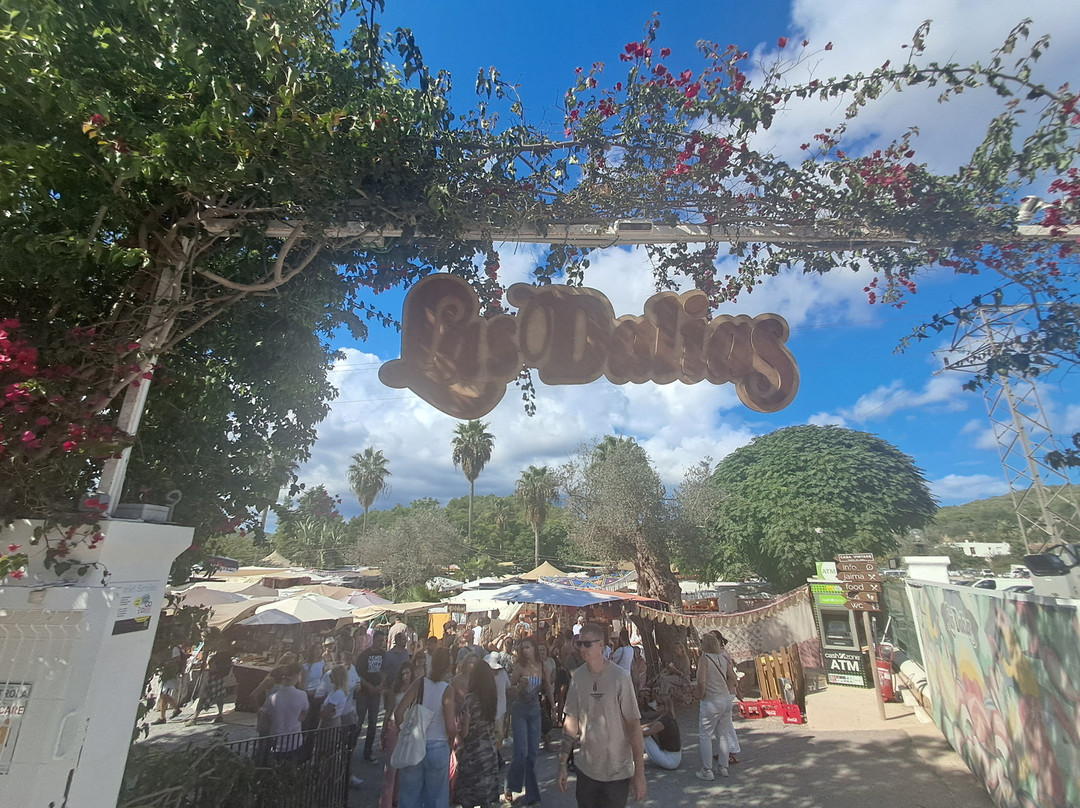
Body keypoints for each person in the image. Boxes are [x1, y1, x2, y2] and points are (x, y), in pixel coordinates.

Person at [558, 622, 646, 808]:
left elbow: (633, 726)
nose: (582, 648)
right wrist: (562, 764)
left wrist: (639, 773)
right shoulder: (578, 678)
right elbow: (571, 723)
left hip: (617, 771)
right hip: (586, 770)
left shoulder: (620, 677)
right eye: (580, 643)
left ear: (601, 645)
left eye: (587, 644)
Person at [395, 647, 456, 808]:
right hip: (438, 745)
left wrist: (404, 731)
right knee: (436, 797)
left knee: (409, 794)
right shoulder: (447, 690)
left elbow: (398, 712)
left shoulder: (419, 683)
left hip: (415, 742)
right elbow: (450, 727)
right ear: (448, 667)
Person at [504, 638, 553, 806]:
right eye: (523, 647)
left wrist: (553, 707)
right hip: (520, 711)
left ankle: (532, 795)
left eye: (528, 647)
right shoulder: (519, 668)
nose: (525, 650)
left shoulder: (541, 667)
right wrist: (519, 687)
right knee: (520, 752)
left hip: (535, 711)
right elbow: (509, 691)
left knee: (532, 753)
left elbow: (547, 686)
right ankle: (511, 784)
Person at [455, 659, 500, 808]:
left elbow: (465, 731)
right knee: (486, 798)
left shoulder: (470, 700)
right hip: (490, 751)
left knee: (469, 797)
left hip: (473, 754)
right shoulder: (492, 699)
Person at [694, 632, 737, 781]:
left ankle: (707, 769)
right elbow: (733, 678)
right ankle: (723, 767)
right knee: (723, 734)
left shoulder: (704, 660)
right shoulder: (723, 658)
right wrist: (727, 687)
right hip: (725, 699)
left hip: (711, 701)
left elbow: (701, 681)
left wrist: (701, 695)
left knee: (705, 735)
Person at [380, 665, 417, 808]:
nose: (405, 676)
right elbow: (389, 710)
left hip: (409, 729)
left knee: (404, 768)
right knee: (391, 767)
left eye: (408, 673)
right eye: (403, 674)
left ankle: (397, 799)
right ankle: (386, 803)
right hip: (394, 727)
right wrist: (384, 729)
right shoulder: (394, 691)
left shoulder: (416, 691)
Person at [356, 630, 389, 763]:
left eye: (383, 640)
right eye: (379, 640)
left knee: (373, 723)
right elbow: (359, 673)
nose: (381, 642)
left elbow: (385, 672)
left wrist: (380, 685)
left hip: (376, 691)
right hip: (364, 691)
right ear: (374, 640)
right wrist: (368, 686)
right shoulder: (365, 655)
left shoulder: (384, 654)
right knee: (359, 721)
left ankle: (368, 752)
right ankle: (350, 748)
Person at [265, 663, 309, 760]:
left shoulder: (272, 697)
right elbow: (304, 713)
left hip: (277, 738)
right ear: (296, 677)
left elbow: (269, 714)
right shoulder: (301, 695)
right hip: (294, 739)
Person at [187, 651, 232, 725]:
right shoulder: (225, 657)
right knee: (219, 697)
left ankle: (194, 718)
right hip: (220, 679)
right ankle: (220, 715)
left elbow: (213, 668)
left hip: (214, 679)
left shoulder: (216, 658)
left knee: (203, 698)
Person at [641, 696, 681, 770]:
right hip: (675, 757)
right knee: (644, 730)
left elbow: (646, 733)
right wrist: (638, 727)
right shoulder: (668, 717)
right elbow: (651, 724)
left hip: (670, 760)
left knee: (643, 736)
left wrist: (632, 731)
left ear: (665, 706)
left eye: (659, 704)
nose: (656, 706)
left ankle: (634, 758)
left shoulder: (664, 721)